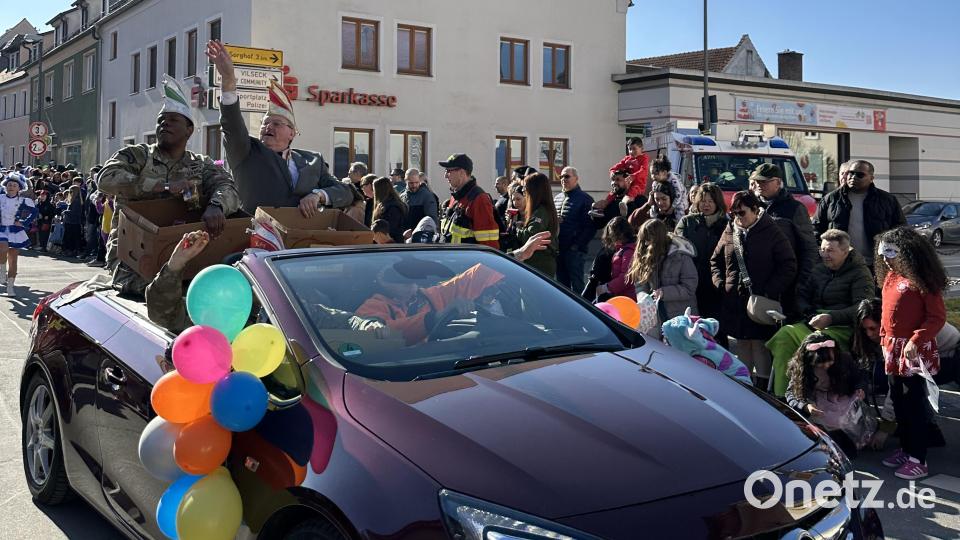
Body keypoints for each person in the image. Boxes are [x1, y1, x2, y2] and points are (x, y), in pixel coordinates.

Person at [98, 76, 241, 296]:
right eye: (161, 120)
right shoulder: (137, 155)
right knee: (156, 298)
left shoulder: (201, 164)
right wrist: (162, 186)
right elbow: (106, 178)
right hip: (133, 262)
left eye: (173, 119)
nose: (164, 124)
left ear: (189, 130)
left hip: (188, 259)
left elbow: (228, 187)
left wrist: (217, 205)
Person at [145, 231, 391, 336]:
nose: (256, 281)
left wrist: (368, 325)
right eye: (248, 273)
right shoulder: (211, 310)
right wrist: (176, 264)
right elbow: (161, 312)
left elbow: (337, 318)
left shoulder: (283, 308)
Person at [206, 40, 351, 216]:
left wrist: (317, 195)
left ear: (292, 133)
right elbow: (232, 125)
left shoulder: (313, 160)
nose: (268, 127)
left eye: (276, 123)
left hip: (300, 237)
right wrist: (228, 79)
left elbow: (345, 192)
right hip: (256, 234)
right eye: (265, 123)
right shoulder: (247, 152)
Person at [765, 229, 874, 397]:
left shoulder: (860, 273)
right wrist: (808, 313)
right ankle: (784, 396)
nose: (825, 254)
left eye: (830, 250)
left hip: (843, 328)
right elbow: (801, 295)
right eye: (822, 249)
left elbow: (862, 308)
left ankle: (817, 398)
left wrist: (831, 318)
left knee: (819, 345)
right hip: (814, 321)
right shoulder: (819, 269)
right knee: (784, 335)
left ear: (845, 251)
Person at [875, 226, 946, 480]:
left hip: (913, 351)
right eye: (883, 253)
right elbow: (886, 315)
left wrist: (917, 339)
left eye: (891, 253)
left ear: (907, 253)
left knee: (914, 404)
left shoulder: (923, 280)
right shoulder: (890, 277)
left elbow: (937, 317)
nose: (885, 259)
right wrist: (884, 341)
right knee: (899, 402)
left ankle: (919, 458)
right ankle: (905, 449)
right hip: (892, 350)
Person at [711, 191, 797, 389]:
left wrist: (768, 290)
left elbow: (789, 265)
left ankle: (763, 388)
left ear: (756, 210)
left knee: (760, 344)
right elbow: (715, 260)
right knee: (741, 342)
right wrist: (720, 283)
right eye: (733, 213)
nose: (737, 217)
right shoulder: (730, 229)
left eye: (741, 213)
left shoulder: (772, 231)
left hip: (760, 300)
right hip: (735, 300)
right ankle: (744, 385)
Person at [784, 333, 871, 457]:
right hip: (818, 401)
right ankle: (832, 445)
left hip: (841, 395)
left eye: (829, 362)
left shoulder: (844, 361)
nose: (825, 366)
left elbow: (859, 378)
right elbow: (790, 393)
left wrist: (860, 388)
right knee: (827, 420)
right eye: (820, 364)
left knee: (844, 418)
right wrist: (805, 406)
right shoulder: (802, 369)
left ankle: (849, 442)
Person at [813, 159, 905, 269]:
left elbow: (900, 230)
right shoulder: (831, 199)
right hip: (839, 264)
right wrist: (823, 253)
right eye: (850, 173)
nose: (853, 177)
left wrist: (891, 255)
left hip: (875, 264)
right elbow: (816, 229)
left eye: (860, 175)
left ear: (871, 178)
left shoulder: (887, 200)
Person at [752, 163, 818, 317]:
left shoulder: (794, 208)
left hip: (786, 281)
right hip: (756, 280)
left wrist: (802, 281)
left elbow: (809, 247)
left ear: (778, 182)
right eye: (758, 181)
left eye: (765, 181)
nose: (760, 185)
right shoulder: (750, 205)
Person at [626, 219, 698, 328]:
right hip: (656, 315)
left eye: (648, 239)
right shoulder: (645, 255)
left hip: (680, 316)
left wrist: (664, 292)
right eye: (644, 240)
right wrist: (643, 297)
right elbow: (640, 284)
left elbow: (689, 287)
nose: (646, 243)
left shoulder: (681, 257)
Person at [676, 183, 728, 324]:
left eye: (711, 201)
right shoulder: (687, 222)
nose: (707, 205)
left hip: (716, 283)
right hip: (691, 281)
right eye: (703, 201)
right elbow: (678, 249)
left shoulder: (727, 224)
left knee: (715, 325)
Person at [438, 154, 499, 249]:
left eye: (449, 171)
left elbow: (488, 244)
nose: (445, 175)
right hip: (451, 260)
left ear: (462, 172)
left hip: (467, 262)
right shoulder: (456, 196)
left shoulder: (479, 199)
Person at [553, 166, 594, 292]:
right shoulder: (557, 198)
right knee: (561, 286)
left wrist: (576, 246)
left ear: (576, 179)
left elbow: (590, 227)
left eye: (567, 176)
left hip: (575, 251)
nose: (563, 179)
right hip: (559, 249)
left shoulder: (585, 199)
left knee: (577, 285)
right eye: (561, 177)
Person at [514, 173, 559, 277]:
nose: (523, 190)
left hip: (539, 263)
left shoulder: (541, 211)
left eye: (525, 187)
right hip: (538, 262)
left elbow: (530, 237)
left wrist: (517, 229)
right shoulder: (541, 209)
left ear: (534, 190)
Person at [0, 174, 37, 296]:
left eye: (14, 185)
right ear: (6, 186)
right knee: (3, 247)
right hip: (1, 228)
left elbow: (34, 211)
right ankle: (2, 273)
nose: (11, 187)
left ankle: (10, 287)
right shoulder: (0, 198)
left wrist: (24, 222)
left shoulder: (23, 201)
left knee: (13, 260)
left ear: (19, 188)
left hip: (15, 230)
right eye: (9, 185)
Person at [592, 217, 636, 301]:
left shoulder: (628, 251)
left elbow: (626, 277)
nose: (610, 236)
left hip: (627, 298)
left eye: (612, 233)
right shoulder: (623, 249)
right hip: (622, 295)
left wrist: (606, 287)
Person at [604, 137, 649, 215]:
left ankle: (624, 203)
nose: (631, 152)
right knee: (613, 192)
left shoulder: (643, 159)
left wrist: (633, 176)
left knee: (632, 191)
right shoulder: (627, 159)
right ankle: (603, 205)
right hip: (627, 184)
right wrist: (612, 172)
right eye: (629, 149)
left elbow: (644, 171)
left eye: (634, 149)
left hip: (638, 185)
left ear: (641, 148)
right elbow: (616, 167)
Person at [400, 168, 438, 234]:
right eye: (411, 183)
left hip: (421, 237)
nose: (414, 185)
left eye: (416, 182)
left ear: (419, 180)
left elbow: (431, 220)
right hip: (406, 237)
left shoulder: (427, 196)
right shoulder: (402, 196)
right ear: (405, 181)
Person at [372, 177, 408, 244]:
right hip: (394, 242)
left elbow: (390, 229)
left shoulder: (391, 207)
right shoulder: (395, 204)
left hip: (390, 244)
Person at [61, 185, 84, 258]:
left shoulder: (76, 201)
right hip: (71, 221)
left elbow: (74, 212)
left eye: (71, 191)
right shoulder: (73, 200)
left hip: (73, 222)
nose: (69, 193)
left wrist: (65, 211)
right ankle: (71, 250)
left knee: (73, 238)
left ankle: (73, 251)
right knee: (71, 237)